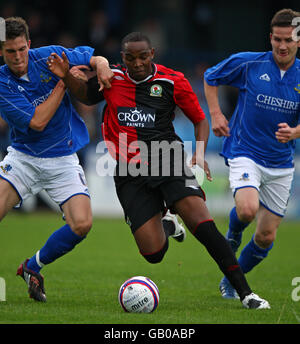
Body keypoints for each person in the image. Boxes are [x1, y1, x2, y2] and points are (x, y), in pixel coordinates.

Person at [47, 31, 271, 309]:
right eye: (131, 58)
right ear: (123, 58)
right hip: (129, 172)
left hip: (168, 160)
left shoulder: (172, 80)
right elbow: (87, 96)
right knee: (152, 253)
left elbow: (199, 120)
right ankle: (166, 223)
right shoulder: (112, 79)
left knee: (202, 224)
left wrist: (199, 154)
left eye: (143, 56)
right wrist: (66, 76)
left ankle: (246, 293)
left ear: (152, 54)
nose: (137, 63)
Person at [0, 17, 114, 302]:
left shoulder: (47, 56)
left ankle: (31, 267)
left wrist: (101, 66)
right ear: (1, 52)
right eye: (9, 51)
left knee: (82, 224)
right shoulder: (2, 83)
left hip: (62, 158)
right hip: (23, 159)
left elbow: (94, 56)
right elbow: (37, 122)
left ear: (29, 44)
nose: (17, 57)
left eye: (21, 49)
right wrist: (64, 81)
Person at [203, 8, 300, 299]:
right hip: (246, 152)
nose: (282, 46)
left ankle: (232, 281)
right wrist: (217, 114)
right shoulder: (249, 63)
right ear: (270, 38)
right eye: (277, 39)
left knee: (266, 236)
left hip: (281, 163)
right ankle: (233, 234)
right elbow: (211, 77)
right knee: (246, 209)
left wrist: (295, 132)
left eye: (288, 40)